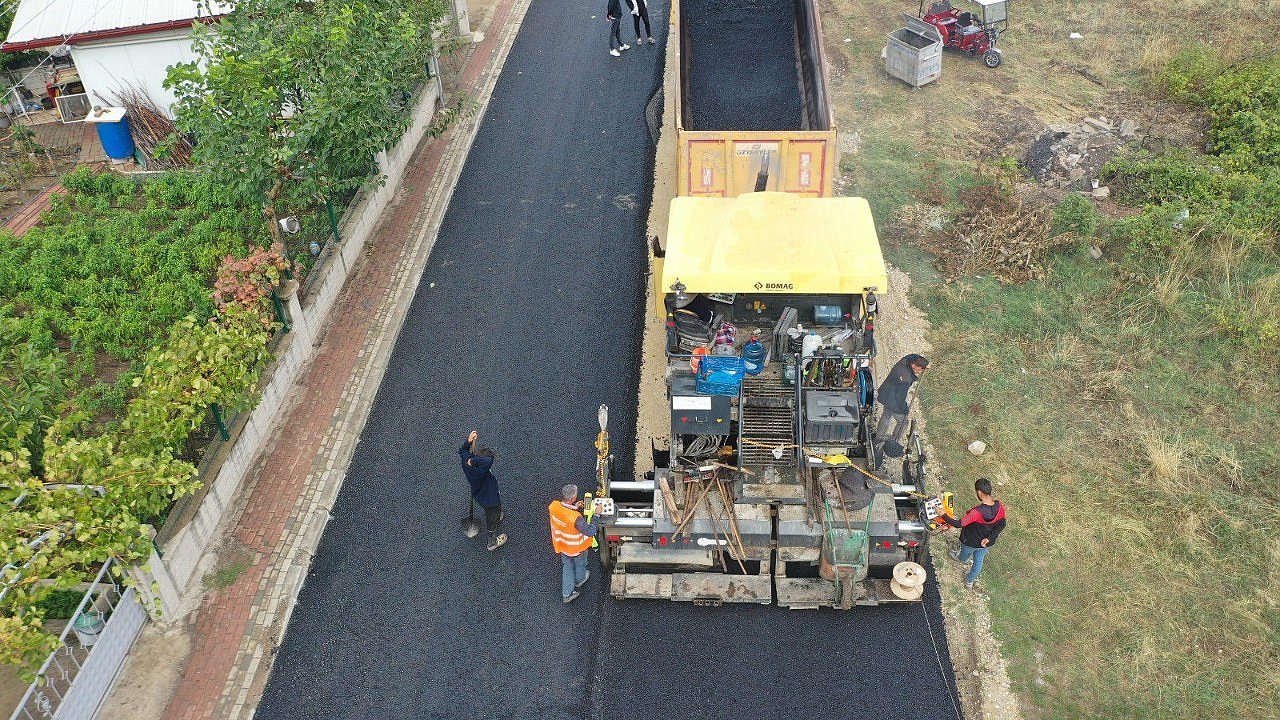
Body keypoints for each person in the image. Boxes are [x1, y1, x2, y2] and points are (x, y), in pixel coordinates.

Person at [945, 478, 1007, 589]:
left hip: (970, 542)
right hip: (985, 544)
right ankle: (969, 581)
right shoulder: (1000, 507)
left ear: (979, 492)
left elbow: (959, 524)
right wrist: (990, 538)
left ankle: (961, 559)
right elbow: (1002, 524)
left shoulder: (977, 513)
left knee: (965, 554)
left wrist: (942, 514)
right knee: (979, 562)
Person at [548, 484, 599, 603]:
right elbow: (591, 531)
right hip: (577, 549)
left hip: (562, 546)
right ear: (572, 498)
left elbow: (564, 515)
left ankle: (566, 594)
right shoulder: (576, 519)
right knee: (580, 565)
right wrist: (597, 514)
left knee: (567, 568)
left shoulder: (553, 506)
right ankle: (579, 580)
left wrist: (574, 507)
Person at [460, 430, 506, 551]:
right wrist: (475, 460)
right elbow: (488, 461)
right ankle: (492, 542)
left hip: (479, 495)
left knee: (489, 510)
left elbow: (463, 451)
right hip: (491, 500)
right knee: (492, 518)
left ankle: (496, 516)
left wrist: (468, 442)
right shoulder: (481, 471)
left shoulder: (466, 463)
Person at [875, 353, 930, 453]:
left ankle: (879, 436)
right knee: (903, 422)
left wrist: (926, 363)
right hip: (893, 400)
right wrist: (905, 409)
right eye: (919, 369)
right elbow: (900, 398)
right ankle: (893, 442)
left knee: (886, 415)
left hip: (886, 393)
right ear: (913, 365)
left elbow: (912, 355)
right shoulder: (905, 379)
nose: (919, 372)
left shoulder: (904, 362)